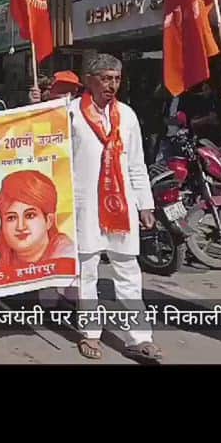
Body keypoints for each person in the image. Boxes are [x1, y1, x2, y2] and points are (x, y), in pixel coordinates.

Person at [67, 54, 161, 362]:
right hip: (85, 206)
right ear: (89, 80)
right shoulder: (70, 115)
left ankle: (140, 337)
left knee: (128, 271)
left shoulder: (128, 115)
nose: (112, 84)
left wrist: (145, 204)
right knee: (87, 272)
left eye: (117, 78)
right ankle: (90, 333)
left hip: (122, 206)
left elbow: (137, 163)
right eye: (106, 78)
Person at [0, 170, 74, 268]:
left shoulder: (67, 257)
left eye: (30, 216)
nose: (20, 227)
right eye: (11, 218)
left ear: (49, 221)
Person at [178, 80, 221, 147]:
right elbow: (192, 122)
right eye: (203, 89)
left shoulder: (217, 101)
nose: (203, 92)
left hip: (215, 142)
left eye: (206, 88)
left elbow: (217, 120)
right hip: (199, 142)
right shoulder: (196, 101)